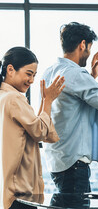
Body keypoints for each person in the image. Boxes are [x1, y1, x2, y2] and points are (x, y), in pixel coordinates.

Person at [42, 22, 98, 193]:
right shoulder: (77, 74)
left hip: (57, 161)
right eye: (89, 48)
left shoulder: (50, 72)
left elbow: (73, 102)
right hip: (74, 165)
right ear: (82, 45)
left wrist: (91, 77)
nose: (88, 53)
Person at [0, 47, 65, 209]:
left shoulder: (4, 96)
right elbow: (41, 131)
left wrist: (44, 101)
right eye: (29, 74)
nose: (32, 80)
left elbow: (34, 127)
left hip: (9, 190)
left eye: (34, 75)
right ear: (10, 70)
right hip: (20, 194)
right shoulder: (14, 98)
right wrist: (48, 101)